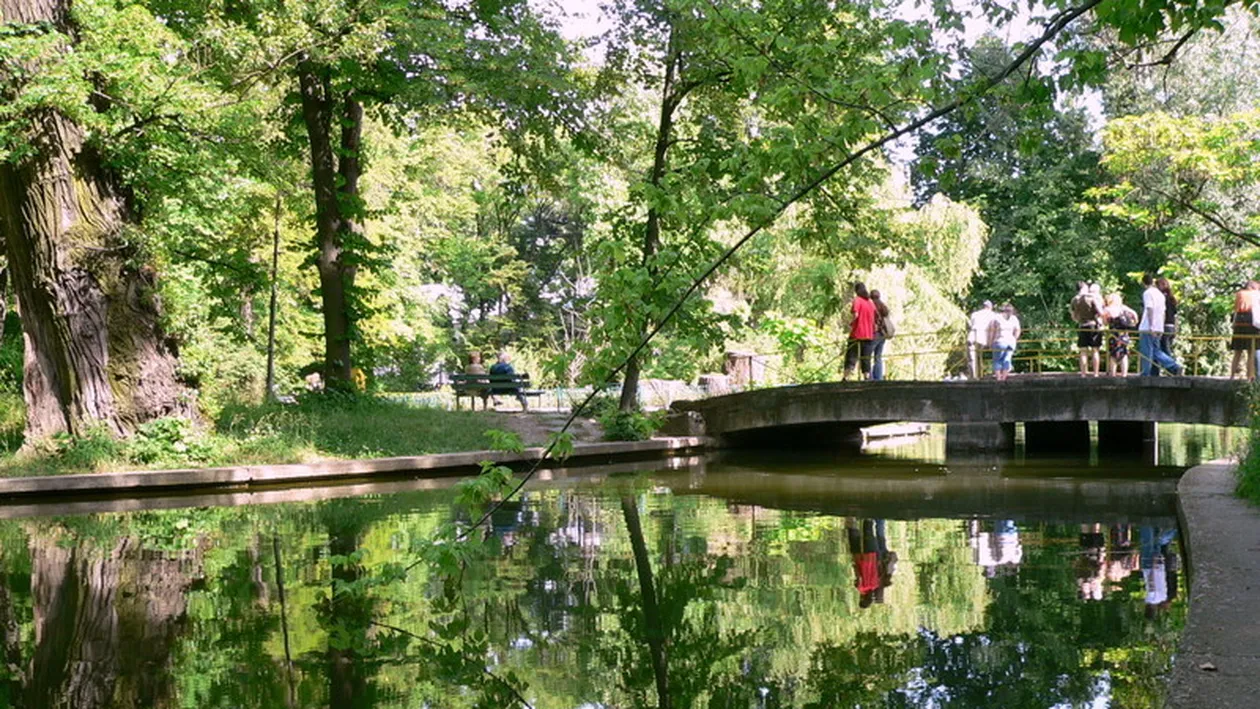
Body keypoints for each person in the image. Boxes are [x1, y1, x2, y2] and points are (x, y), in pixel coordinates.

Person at [1138, 274, 1183, 377]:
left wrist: (1151, 326)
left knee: (1147, 350)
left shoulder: (1147, 293)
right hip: (1158, 327)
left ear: (1143, 283)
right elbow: (1163, 312)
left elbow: (1150, 309)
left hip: (1148, 327)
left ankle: (1145, 373)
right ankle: (1174, 366)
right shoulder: (1160, 295)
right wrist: (1160, 327)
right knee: (1156, 351)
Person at [842, 282, 877, 381]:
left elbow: (856, 314)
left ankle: (846, 376)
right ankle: (866, 377)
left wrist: (851, 323)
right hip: (869, 333)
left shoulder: (857, 300)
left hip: (857, 332)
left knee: (851, 355)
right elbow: (873, 317)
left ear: (856, 291)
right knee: (866, 356)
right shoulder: (870, 303)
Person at [1071, 282, 1105, 377]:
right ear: (1084, 288)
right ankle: (1096, 373)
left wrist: (1080, 319)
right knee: (1095, 350)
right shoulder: (1092, 298)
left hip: (1082, 326)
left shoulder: (1074, 300)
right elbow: (1100, 312)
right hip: (1094, 325)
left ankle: (1083, 374)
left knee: (1083, 351)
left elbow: (1073, 316)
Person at [1103, 293, 1139, 377]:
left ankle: (1113, 374)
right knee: (1124, 353)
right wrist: (1135, 322)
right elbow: (1134, 313)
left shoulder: (1108, 309)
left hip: (1114, 335)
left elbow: (1104, 322)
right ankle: (1124, 374)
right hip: (1124, 335)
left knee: (1113, 355)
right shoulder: (1123, 307)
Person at [1230, 280, 1260, 380]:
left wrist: (1234, 324)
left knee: (1237, 352)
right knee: (1251, 351)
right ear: (1252, 287)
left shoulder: (1239, 294)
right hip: (1251, 322)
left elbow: (1235, 310)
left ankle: (1232, 376)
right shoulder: (1255, 294)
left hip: (1239, 322)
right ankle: (1250, 376)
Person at [988, 303, 1021, 381]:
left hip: (999, 341)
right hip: (1011, 342)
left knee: (997, 360)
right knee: (1007, 359)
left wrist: (990, 342)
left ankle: (999, 378)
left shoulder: (997, 317)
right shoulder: (1014, 318)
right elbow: (1017, 330)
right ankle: (1004, 377)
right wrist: (1014, 339)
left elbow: (992, 331)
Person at [966, 300, 996, 379]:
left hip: (971, 337)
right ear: (990, 307)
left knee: (971, 359)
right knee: (979, 357)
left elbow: (971, 325)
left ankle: (973, 377)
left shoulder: (975, 314)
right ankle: (979, 376)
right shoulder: (993, 315)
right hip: (982, 338)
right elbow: (993, 329)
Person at [1156, 278, 1178, 376]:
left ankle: (1173, 368)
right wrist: (1176, 328)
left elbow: (1163, 314)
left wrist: (1159, 326)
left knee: (1163, 349)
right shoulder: (1172, 299)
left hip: (1164, 326)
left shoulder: (1162, 299)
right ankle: (1171, 369)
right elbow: (1175, 316)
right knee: (1167, 348)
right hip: (1171, 326)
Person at [870, 290, 893, 381]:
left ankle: (869, 377)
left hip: (874, 333)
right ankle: (878, 377)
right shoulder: (883, 306)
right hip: (883, 333)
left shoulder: (871, 306)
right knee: (878, 356)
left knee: (867, 356)